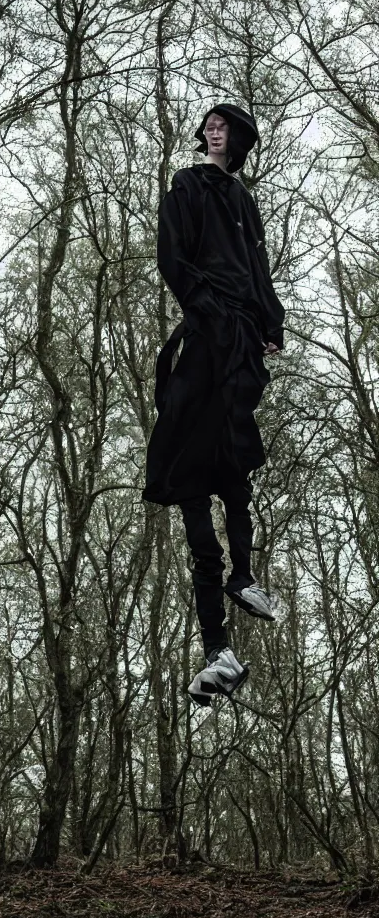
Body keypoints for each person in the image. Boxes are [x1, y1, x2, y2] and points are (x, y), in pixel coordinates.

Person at [143, 103, 284, 707]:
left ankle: (244, 577)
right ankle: (215, 648)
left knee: (236, 461)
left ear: (241, 138)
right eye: (211, 122)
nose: (215, 128)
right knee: (190, 473)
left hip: (243, 340)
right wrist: (205, 309)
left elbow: (257, 266)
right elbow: (172, 257)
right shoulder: (186, 184)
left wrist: (268, 321)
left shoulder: (242, 199)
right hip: (207, 335)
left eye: (226, 123)